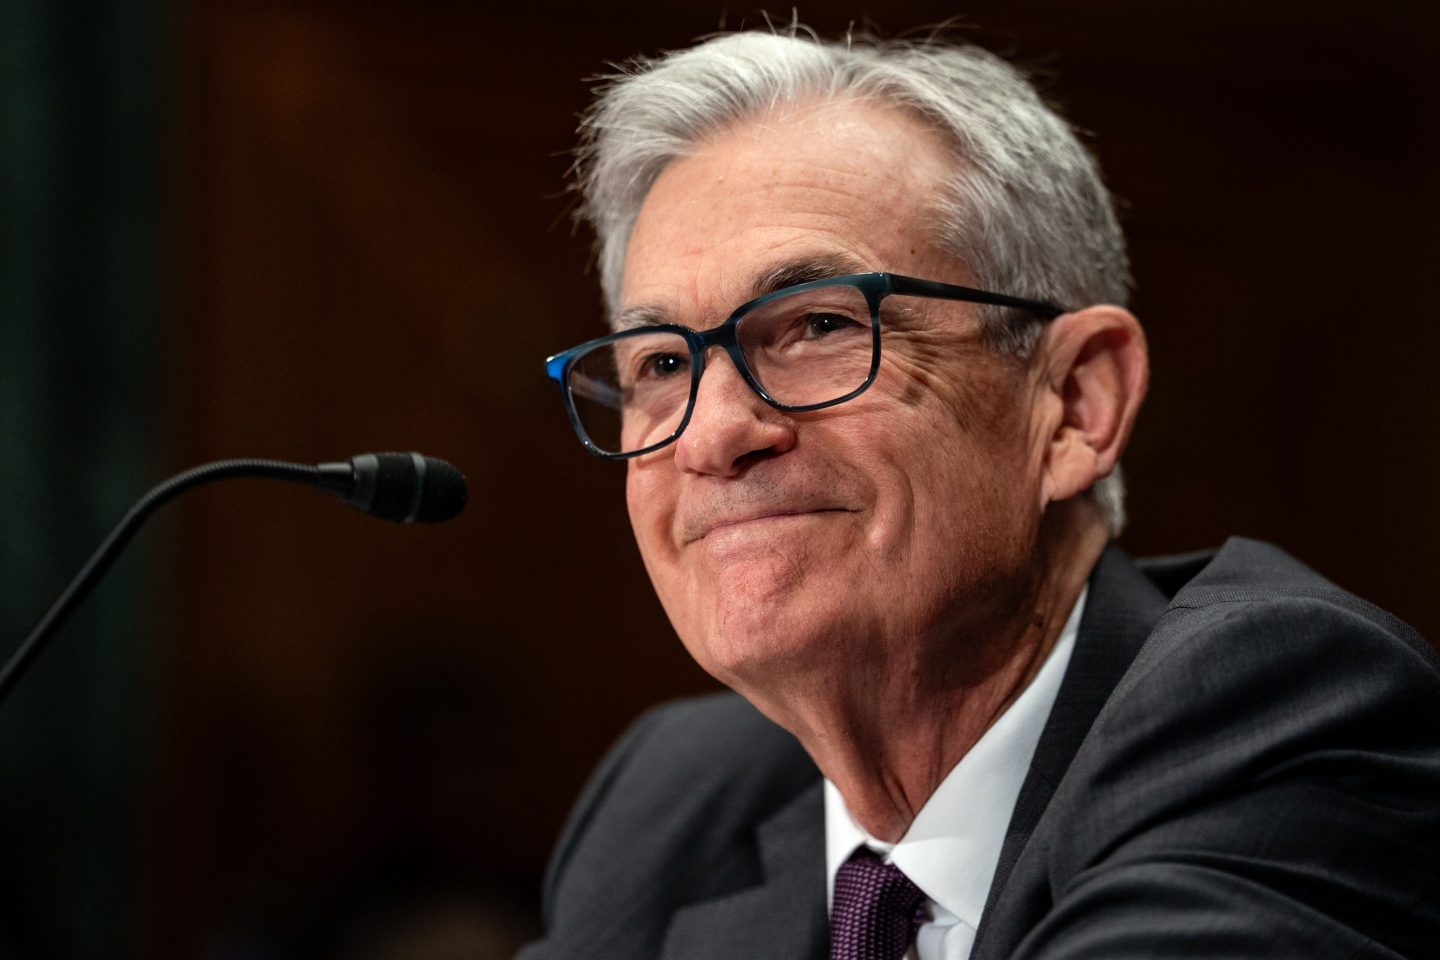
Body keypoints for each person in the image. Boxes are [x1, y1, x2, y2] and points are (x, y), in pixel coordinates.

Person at [523, 27, 1440, 960]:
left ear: (1074, 402)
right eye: (663, 364)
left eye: (820, 325)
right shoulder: (675, 800)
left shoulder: (1276, 712)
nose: (713, 434)